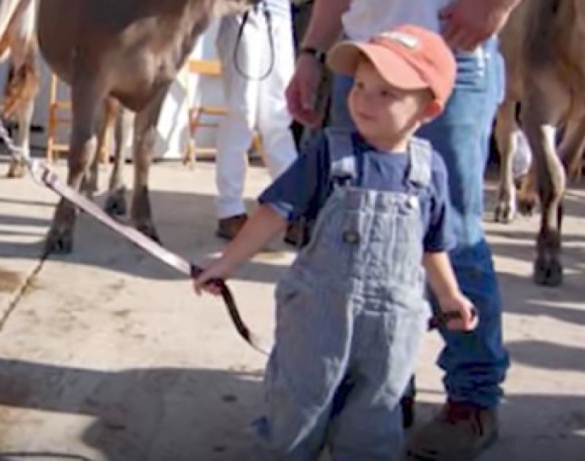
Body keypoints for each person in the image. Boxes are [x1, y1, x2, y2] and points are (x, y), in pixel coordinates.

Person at [194, 24, 478, 460]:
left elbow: (431, 245)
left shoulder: (430, 171)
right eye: (361, 86)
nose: (365, 99)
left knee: (375, 416)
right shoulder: (330, 151)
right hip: (317, 319)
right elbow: (275, 211)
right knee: (297, 408)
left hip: (391, 329)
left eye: (387, 93)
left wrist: (449, 294)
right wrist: (228, 263)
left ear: (429, 109)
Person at [285, 0, 517, 459]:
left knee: (450, 232)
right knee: (362, 227)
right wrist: (311, 53)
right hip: (365, 60)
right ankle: (384, 386)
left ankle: (473, 399)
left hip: (448, 56)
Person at [212, 0, 299, 240]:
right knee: (242, 113)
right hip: (242, 13)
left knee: (278, 117)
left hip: (279, 14)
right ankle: (230, 210)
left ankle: (294, 208)